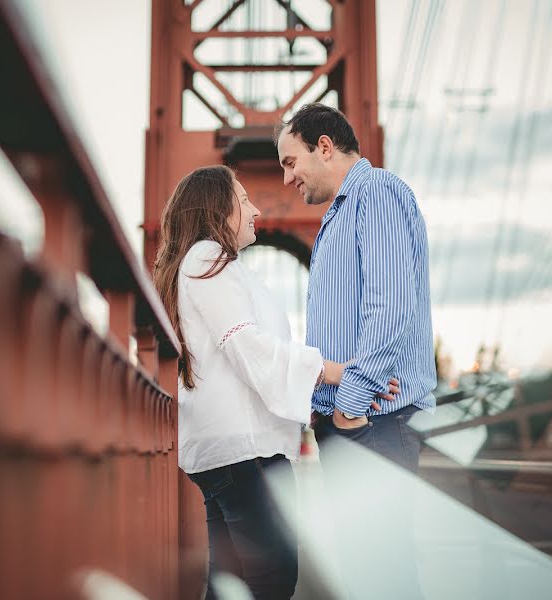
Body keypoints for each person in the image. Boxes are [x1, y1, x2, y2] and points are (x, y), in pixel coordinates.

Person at [153, 165, 399, 599]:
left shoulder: (202, 263)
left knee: (234, 582)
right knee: (274, 577)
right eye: (244, 200)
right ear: (217, 208)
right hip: (243, 451)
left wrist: (345, 383)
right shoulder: (209, 258)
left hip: (226, 449)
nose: (256, 209)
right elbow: (246, 346)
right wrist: (334, 370)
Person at [275, 103, 436, 597]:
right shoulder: (345, 210)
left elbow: (391, 307)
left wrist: (348, 408)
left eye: (290, 161)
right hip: (362, 421)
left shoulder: (376, 194)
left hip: (375, 420)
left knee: (381, 573)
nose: (286, 179)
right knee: (367, 572)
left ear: (324, 146)